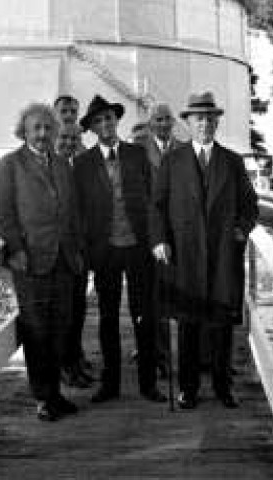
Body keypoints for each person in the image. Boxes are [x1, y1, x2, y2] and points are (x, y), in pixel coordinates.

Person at [151, 91, 259, 410]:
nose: (205, 124)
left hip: (224, 256)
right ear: (188, 122)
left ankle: (224, 387)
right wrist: (159, 241)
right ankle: (188, 389)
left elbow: (250, 206)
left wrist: (240, 230)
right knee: (188, 324)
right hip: (185, 256)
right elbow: (156, 207)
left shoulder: (232, 161)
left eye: (211, 118)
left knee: (221, 323)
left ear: (217, 122)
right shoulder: (172, 162)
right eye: (199, 118)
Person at [0, 103, 84, 422]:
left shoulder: (61, 165)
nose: (43, 134)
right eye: (36, 128)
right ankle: (43, 398)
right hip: (31, 262)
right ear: (24, 132)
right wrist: (17, 249)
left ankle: (56, 393)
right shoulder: (9, 165)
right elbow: (1, 213)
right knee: (37, 331)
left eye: (48, 128)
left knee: (61, 328)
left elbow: (72, 213)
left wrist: (76, 250)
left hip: (64, 260)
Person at [74, 94, 166, 404]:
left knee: (145, 315)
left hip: (139, 246)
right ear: (93, 128)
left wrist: (157, 240)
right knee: (108, 317)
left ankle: (148, 383)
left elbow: (154, 201)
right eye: (98, 121)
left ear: (117, 121)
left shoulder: (136, 154)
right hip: (105, 250)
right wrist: (87, 249)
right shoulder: (83, 164)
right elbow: (80, 211)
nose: (105, 124)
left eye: (109, 118)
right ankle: (110, 384)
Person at [137, 102, 185, 379]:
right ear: (150, 123)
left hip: (178, 231)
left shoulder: (183, 149)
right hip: (148, 232)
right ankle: (159, 355)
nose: (163, 124)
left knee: (181, 293)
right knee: (153, 297)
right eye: (158, 119)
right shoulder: (138, 150)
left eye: (167, 119)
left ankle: (194, 355)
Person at [54, 122, 94, 389]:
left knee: (78, 310)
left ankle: (75, 360)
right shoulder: (51, 166)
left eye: (74, 139)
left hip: (80, 251)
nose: (69, 143)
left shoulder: (78, 167)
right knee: (63, 314)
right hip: (57, 254)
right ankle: (65, 367)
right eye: (64, 138)